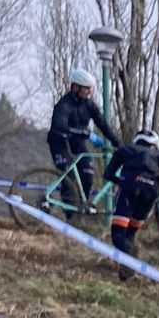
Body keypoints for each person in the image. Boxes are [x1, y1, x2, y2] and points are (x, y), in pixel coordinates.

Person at [104, 130, 159, 257]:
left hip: (130, 187)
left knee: (118, 234)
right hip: (151, 191)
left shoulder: (126, 149)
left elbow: (108, 174)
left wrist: (120, 181)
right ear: (155, 144)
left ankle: (130, 262)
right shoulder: (157, 154)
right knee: (131, 231)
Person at [47, 68, 118, 211]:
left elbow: (103, 125)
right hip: (59, 142)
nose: (89, 92)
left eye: (90, 89)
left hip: (77, 143)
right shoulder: (64, 105)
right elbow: (59, 126)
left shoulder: (89, 104)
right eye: (86, 89)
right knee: (70, 177)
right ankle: (69, 213)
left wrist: (119, 144)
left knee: (87, 174)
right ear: (76, 87)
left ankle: (81, 208)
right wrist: (84, 133)